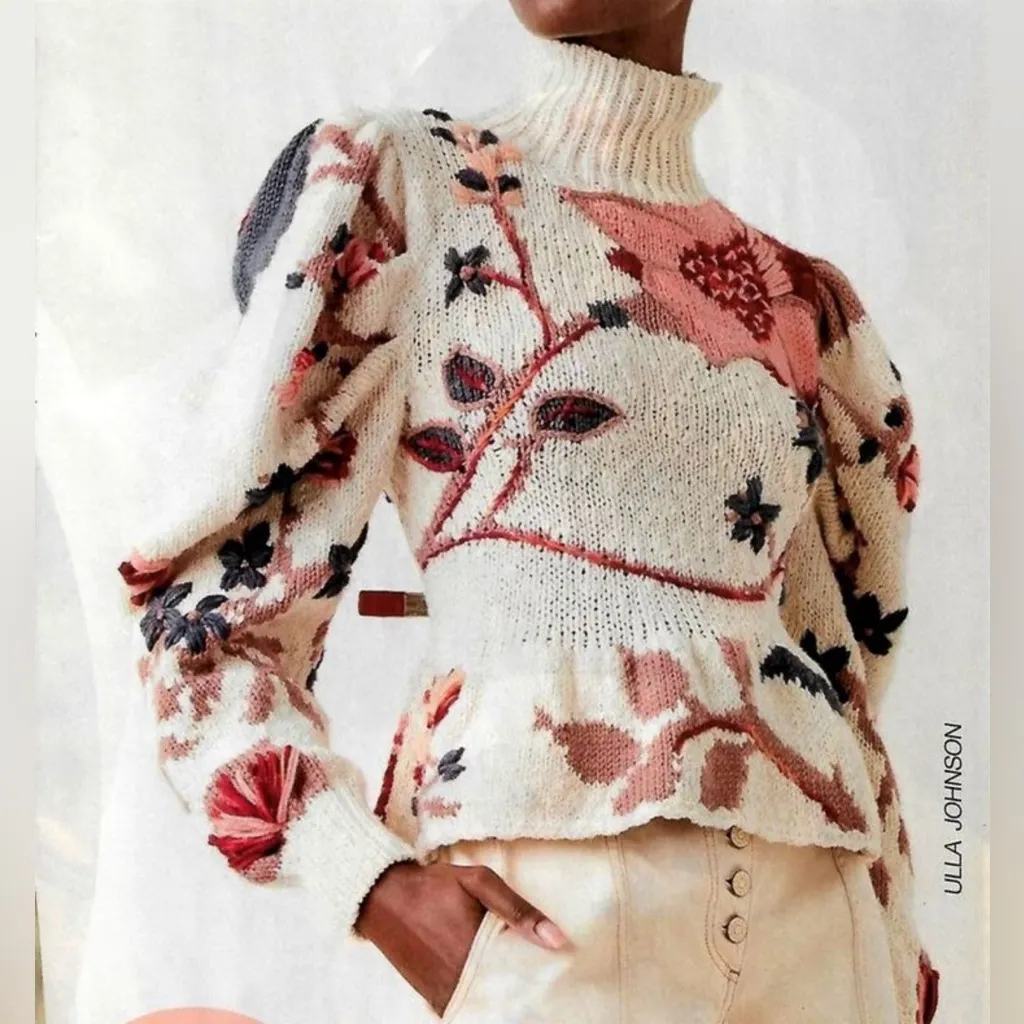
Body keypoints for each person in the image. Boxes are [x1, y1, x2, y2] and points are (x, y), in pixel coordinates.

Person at [117, 1, 940, 1021]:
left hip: (818, 929)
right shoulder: (408, 188)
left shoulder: (801, 303)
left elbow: (842, 672)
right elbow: (208, 620)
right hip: (539, 919)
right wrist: (368, 880)